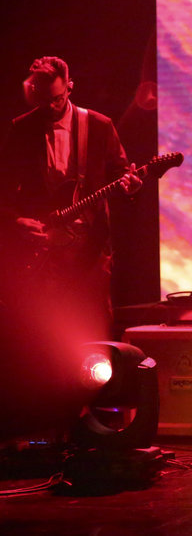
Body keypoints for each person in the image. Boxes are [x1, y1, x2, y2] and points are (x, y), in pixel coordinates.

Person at [0, 56, 140, 340]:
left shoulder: (99, 125)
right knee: (43, 332)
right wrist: (16, 221)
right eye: (44, 100)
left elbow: (121, 172)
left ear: (70, 87)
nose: (51, 107)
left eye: (58, 99)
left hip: (90, 246)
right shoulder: (22, 129)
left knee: (94, 324)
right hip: (42, 246)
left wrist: (131, 185)